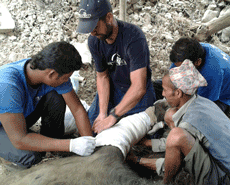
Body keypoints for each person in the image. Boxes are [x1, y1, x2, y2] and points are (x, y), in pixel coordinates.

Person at [130, 59, 230, 184]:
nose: (163, 94)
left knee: (176, 136)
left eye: (165, 90)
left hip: (224, 175)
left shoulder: (189, 122)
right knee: (173, 119)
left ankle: (167, 182)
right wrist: (147, 143)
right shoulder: (203, 102)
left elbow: (174, 161)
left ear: (178, 93)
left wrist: (138, 160)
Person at [0, 41, 96, 171]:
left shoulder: (46, 69)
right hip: (5, 127)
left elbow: (78, 110)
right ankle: (8, 159)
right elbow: (20, 139)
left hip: (17, 117)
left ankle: (53, 146)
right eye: (66, 77)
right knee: (31, 156)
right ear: (52, 74)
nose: (66, 81)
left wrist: (88, 143)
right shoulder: (8, 86)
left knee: (56, 96)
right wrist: (71, 145)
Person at [76, 0, 156, 134]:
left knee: (142, 133)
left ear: (109, 18)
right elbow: (102, 76)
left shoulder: (134, 37)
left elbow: (138, 86)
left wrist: (113, 116)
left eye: (95, 27)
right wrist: (102, 113)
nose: (93, 33)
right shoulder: (94, 40)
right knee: (91, 129)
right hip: (114, 89)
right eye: (90, 30)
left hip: (138, 93)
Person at [170, 37, 230, 113]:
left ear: (198, 62)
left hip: (223, 97)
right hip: (207, 78)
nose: (179, 70)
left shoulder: (211, 74)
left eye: (183, 68)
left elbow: (201, 103)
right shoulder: (190, 51)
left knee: (199, 115)